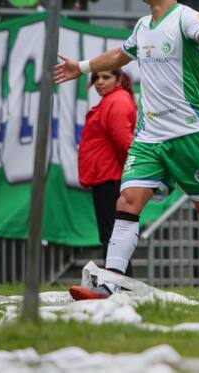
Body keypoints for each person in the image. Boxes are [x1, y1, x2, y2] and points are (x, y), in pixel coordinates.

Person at [55, 0, 199, 299]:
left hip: (190, 133)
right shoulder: (142, 26)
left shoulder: (185, 16)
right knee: (127, 201)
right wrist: (81, 67)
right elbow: (119, 56)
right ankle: (110, 285)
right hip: (149, 136)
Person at [78, 69, 137, 272]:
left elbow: (124, 143)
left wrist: (126, 174)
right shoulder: (112, 100)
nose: (99, 82)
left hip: (111, 178)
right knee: (111, 235)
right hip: (106, 176)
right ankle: (119, 285)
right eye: (96, 78)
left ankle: (118, 285)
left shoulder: (117, 100)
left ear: (119, 79)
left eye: (106, 77)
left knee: (112, 235)